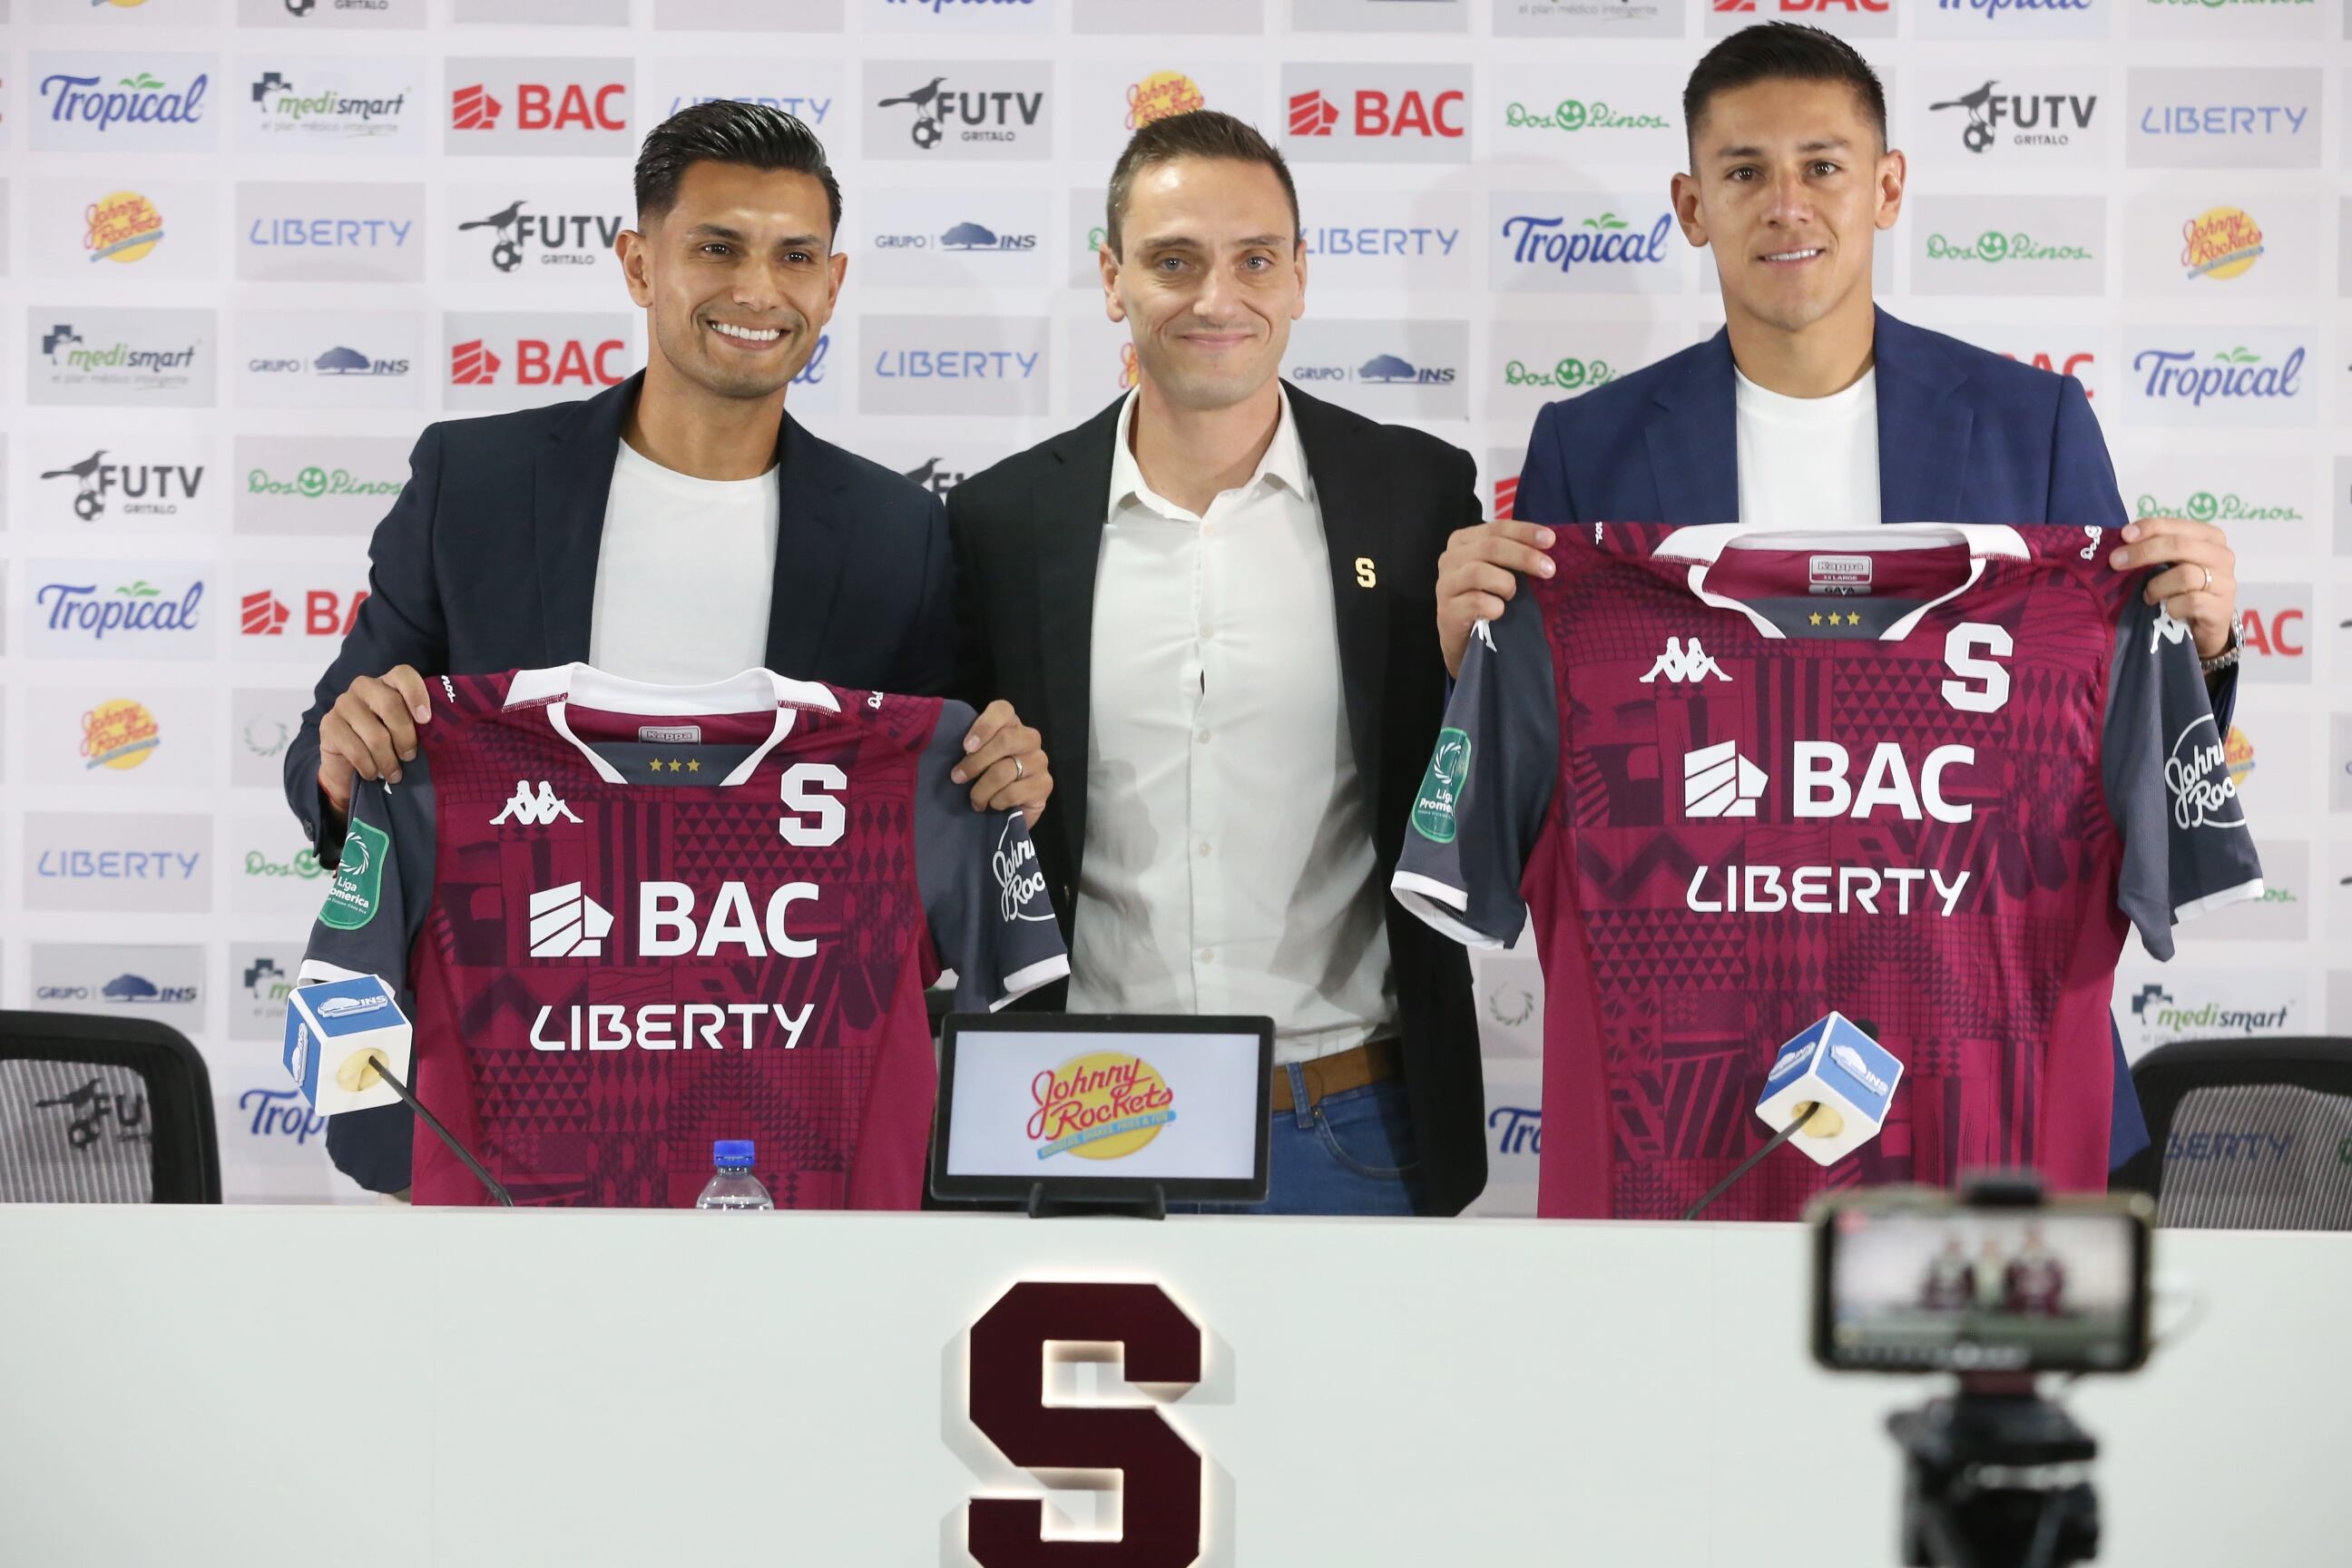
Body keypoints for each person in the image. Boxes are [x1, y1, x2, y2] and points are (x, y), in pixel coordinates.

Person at [1436, 24, 2249, 1173]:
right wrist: (1468, 664)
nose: (1786, 205)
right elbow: (1560, 774)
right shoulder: (1590, 448)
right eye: (1744, 172)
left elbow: (2112, 739)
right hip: (1700, 1090)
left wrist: (2198, 653)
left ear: (1887, 186)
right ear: (1690, 201)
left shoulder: (2035, 427)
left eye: (1822, 166)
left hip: (1986, 1063)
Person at [286, 103, 1051, 1195]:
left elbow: (945, 808)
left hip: (778, 1141)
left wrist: (1002, 775)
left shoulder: (901, 535)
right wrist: (341, 751)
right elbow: (324, 752)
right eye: (716, 249)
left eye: (794, 258)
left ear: (832, 284)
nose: (757, 291)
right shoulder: (478, 485)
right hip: (489, 1129)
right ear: (640, 265)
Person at [946, 111, 1485, 1215]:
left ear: (1299, 278)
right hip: (1077, 1123)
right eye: (1173, 261)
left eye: (1254, 260)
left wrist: (1467, 684)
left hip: (1352, 1126)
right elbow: (942, 830)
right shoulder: (1001, 522)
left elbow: (1487, 794)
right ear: (1112, 279)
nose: (1215, 299)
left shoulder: (1417, 495)